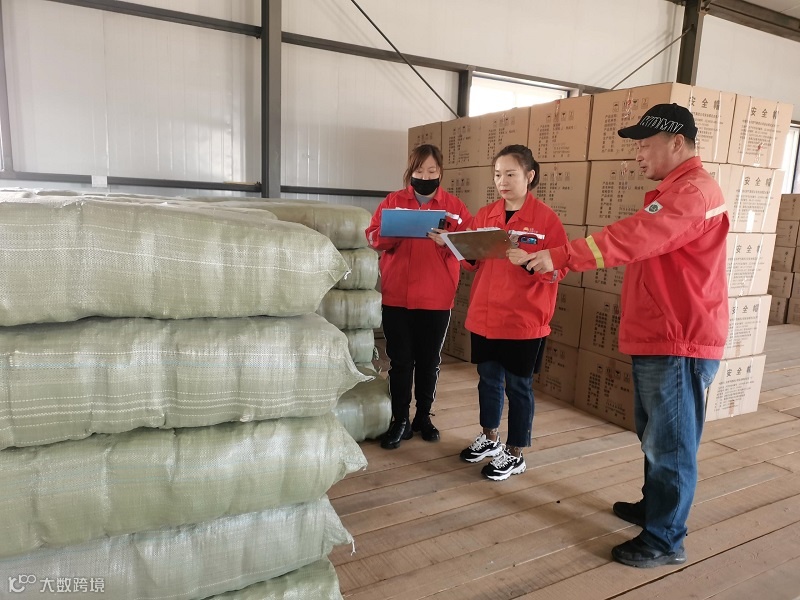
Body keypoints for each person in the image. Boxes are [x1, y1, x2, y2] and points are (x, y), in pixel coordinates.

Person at [520, 103, 729, 568]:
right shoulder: (675, 192)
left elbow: (633, 237)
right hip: (661, 334)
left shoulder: (691, 193)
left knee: (671, 444)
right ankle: (656, 509)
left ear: (677, 142)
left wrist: (562, 256)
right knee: (655, 435)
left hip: (679, 339)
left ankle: (665, 539)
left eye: (645, 144)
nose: (638, 154)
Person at [457, 144, 568, 481]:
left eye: (510, 174)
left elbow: (559, 269)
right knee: (488, 380)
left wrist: (531, 261)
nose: (502, 181)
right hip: (486, 316)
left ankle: (516, 452)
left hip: (524, 320)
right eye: (497, 175)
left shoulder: (546, 220)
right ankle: (490, 437)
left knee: (519, 387)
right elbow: (474, 263)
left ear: (529, 176)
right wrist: (457, 246)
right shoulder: (486, 215)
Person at [365, 144, 472, 450]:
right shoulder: (393, 202)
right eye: (419, 170)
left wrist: (448, 242)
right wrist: (394, 232)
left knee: (429, 362)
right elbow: (372, 236)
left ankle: (423, 417)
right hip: (397, 296)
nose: (425, 176)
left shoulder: (454, 207)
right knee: (400, 362)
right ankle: (399, 420)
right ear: (410, 171)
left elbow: (470, 251)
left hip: (436, 298)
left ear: (441, 172)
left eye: (432, 170)